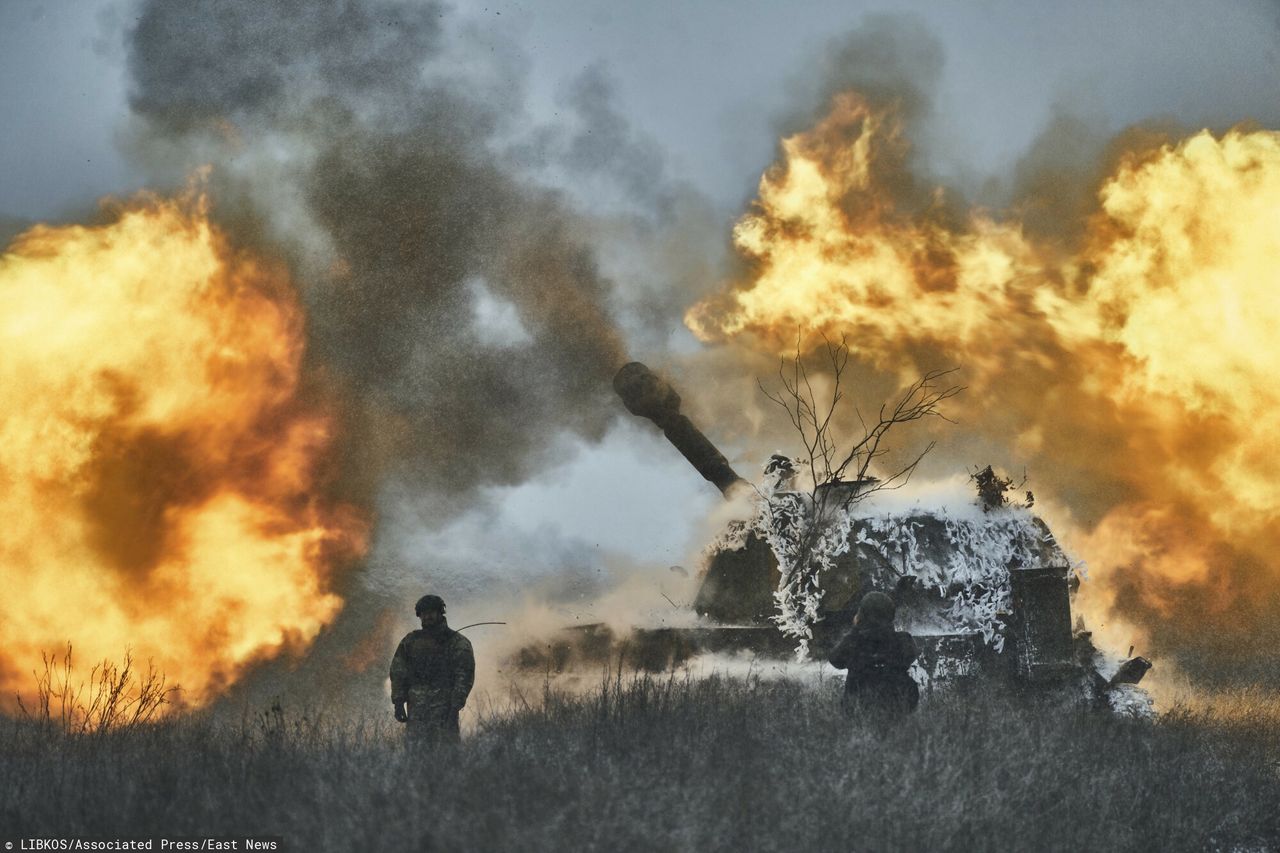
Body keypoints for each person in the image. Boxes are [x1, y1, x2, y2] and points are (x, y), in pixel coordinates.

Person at [389, 594, 475, 746]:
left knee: (446, 754)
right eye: (423, 613)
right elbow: (398, 672)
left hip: (444, 710)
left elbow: (464, 676)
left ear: (439, 613)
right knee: (415, 755)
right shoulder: (411, 641)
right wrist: (398, 702)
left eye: (431, 612)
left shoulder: (457, 642)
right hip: (416, 710)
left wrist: (455, 706)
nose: (427, 616)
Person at [828, 591, 919, 720]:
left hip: (859, 707)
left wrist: (856, 629)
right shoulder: (903, 640)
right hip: (897, 706)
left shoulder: (853, 641)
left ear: (862, 615)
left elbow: (835, 660)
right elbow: (911, 656)